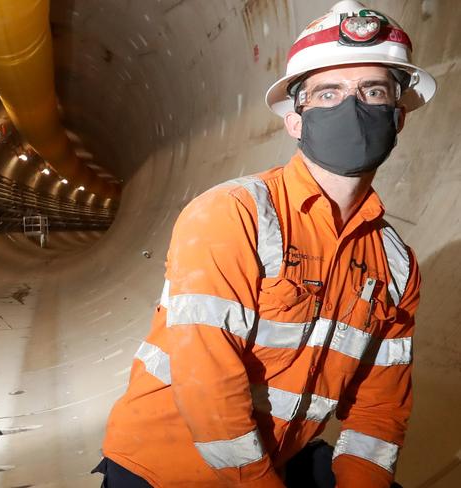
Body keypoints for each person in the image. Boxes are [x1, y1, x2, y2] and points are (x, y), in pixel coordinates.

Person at [94, 1, 436, 486]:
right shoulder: (233, 214)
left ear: (398, 117)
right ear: (294, 121)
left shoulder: (396, 264)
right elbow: (208, 383)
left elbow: (381, 409)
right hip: (166, 468)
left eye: (373, 91)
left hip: (277, 457)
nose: (352, 107)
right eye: (328, 93)